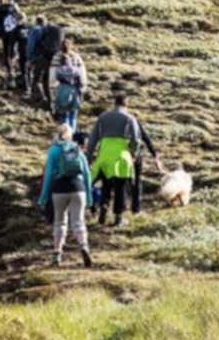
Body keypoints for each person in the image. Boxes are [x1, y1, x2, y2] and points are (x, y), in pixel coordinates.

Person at [37, 124, 93, 267]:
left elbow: (48, 175)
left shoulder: (53, 151)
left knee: (60, 222)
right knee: (78, 222)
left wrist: (43, 197)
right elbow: (87, 174)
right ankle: (84, 246)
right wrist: (89, 196)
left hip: (59, 189)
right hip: (78, 188)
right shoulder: (77, 149)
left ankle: (57, 254)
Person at [87, 94, 141, 227]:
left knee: (106, 184)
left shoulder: (103, 117)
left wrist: (89, 156)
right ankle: (118, 217)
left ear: (114, 103)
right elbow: (136, 140)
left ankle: (103, 209)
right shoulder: (129, 118)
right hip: (121, 156)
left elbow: (93, 139)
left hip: (105, 154)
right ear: (126, 104)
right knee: (119, 187)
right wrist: (133, 152)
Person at [50, 39, 87, 130]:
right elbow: (82, 74)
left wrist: (52, 89)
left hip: (62, 89)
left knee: (64, 115)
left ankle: (66, 134)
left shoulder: (56, 58)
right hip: (74, 89)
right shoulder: (76, 58)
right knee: (73, 115)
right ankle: (72, 133)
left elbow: (52, 76)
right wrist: (83, 88)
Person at [132, 121, 164, 214]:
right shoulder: (133, 121)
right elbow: (146, 139)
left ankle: (119, 211)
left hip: (117, 155)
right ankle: (136, 209)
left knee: (120, 182)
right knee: (137, 181)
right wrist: (155, 156)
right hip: (135, 156)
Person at [25, 15, 47, 100]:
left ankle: (35, 95)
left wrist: (29, 57)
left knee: (33, 75)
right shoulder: (47, 30)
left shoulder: (35, 30)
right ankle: (46, 95)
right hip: (47, 57)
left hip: (36, 56)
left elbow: (31, 44)